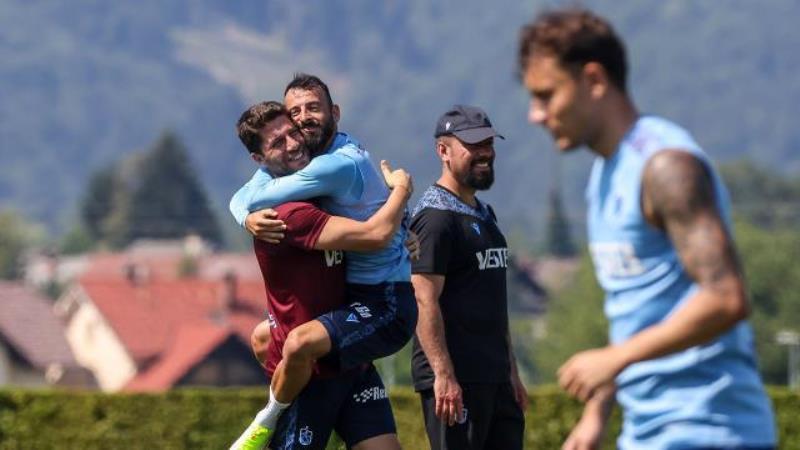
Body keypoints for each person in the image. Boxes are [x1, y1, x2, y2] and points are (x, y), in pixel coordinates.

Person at [518, 8, 776, 450]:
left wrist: (614, 359)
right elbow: (638, 314)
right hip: (648, 431)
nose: (535, 115)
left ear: (594, 81)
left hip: (712, 430)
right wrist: (598, 412)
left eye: (547, 95)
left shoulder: (666, 165)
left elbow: (726, 297)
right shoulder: (604, 176)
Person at [229, 75, 418, 447]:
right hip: (339, 336)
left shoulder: (333, 167)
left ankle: (268, 414)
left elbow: (377, 233)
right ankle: (271, 414)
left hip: (379, 305)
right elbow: (248, 196)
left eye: (313, 108)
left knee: (289, 343)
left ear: (335, 113)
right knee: (273, 339)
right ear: (260, 156)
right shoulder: (296, 192)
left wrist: (401, 200)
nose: (302, 122)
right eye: (295, 113)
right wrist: (400, 198)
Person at [409, 105, 527, 450]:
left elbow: (493, 302)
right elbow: (422, 298)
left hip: (494, 376)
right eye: (473, 145)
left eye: (488, 143)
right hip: (456, 381)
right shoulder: (435, 219)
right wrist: (444, 376)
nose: (485, 153)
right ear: (442, 151)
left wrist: (511, 371)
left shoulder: (483, 214)